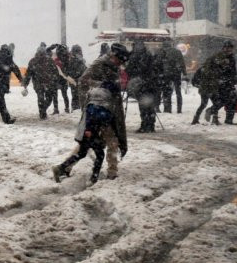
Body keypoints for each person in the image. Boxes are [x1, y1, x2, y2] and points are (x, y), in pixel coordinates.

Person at [75, 43, 129, 179]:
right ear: (113, 56)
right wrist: (101, 87)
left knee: (100, 140)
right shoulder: (99, 64)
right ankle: (112, 172)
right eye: (119, 60)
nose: (120, 64)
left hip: (109, 107)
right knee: (105, 140)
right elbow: (82, 81)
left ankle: (65, 167)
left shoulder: (112, 66)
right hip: (97, 108)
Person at [52, 80, 119, 184]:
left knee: (82, 153)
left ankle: (61, 168)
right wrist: (92, 129)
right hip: (91, 132)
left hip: (85, 130)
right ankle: (94, 178)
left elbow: (89, 113)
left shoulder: (93, 99)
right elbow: (99, 116)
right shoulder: (103, 103)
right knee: (99, 154)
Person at [126, 41, 161, 133]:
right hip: (151, 83)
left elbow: (129, 70)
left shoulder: (135, 57)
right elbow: (156, 67)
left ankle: (145, 124)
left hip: (141, 84)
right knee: (150, 104)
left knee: (143, 105)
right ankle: (151, 124)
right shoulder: (149, 55)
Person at [0, 44, 23, 123]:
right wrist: (21, 79)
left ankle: (2, 119)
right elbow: (14, 68)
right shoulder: (7, 58)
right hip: (0, 84)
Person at [22, 46, 58, 120]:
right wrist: (55, 80)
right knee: (47, 98)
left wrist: (26, 83)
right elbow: (55, 72)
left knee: (42, 98)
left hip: (40, 83)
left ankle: (42, 112)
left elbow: (28, 74)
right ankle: (43, 112)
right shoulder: (48, 60)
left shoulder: (34, 61)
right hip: (46, 83)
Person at [157, 40, 186, 113]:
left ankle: (167, 109)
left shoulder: (160, 52)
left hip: (166, 74)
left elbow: (157, 63)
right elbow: (182, 62)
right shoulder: (177, 52)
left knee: (166, 92)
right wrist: (184, 72)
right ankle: (179, 109)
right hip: (176, 73)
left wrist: (158, 72)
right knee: (178, 92)